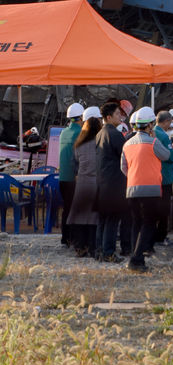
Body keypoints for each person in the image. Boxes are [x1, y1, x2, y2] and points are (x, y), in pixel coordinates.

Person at [120, 106, 172, 273]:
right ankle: (136, 259)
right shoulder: (153, 142)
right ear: (150, 125)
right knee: (148, 224)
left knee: (136, 224)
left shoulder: (127, 144)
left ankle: (137, 258)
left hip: (132, 189)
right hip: (151, 189)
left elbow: (123, 167)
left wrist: (135, 175)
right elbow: (167, 156)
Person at [95, 100, 129, 262]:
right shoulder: (115, 134)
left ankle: (100, 250)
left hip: (101, 182)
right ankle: (109, 252)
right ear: (109, 117)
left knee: (103, 219)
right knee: (112, 219)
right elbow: (125, 155)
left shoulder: (100, 133)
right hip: (114, 183)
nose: (120, 117)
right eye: (117, 114)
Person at [66, 106, 101, 257]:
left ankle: (80, 247)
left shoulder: (78, 144)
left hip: (81, 183)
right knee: (93, 218)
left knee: (80, 216)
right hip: (96, 183)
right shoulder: (100, 144)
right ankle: (93, 247)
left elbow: (74, 164)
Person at [58, 102, 84, 248]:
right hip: (74, 178)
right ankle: (74, 239)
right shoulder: (79, 133)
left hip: (63, 178)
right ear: (80, 117)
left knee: (67, 209)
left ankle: (65, 238)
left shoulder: (63, 132)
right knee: (75, 209)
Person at [153, 110, 173, 245]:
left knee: (155, 208)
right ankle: (161, 236)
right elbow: (170, 156)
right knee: (164, 209)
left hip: (155, 176)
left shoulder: (152, 132)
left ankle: (155, 235)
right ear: (166, 121)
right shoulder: (163, 137)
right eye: (170, 122)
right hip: (165, 177)